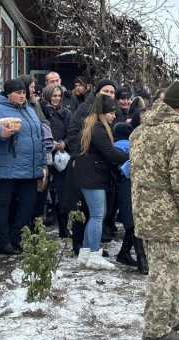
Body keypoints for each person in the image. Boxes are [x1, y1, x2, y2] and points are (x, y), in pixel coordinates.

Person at [131, 81, 179, 340]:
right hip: (168, 217)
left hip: (145, 214)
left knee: (167, 270)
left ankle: (172, 317)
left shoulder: (140, 132)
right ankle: (157, 328)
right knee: (164, 274)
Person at [0, 79, 47, 255]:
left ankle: (17, 236)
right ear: (8, 93)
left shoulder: (30, 111)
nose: (22, 95)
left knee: (28, 203)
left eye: (24, 92)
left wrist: (43, 163)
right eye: (18, 92)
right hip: (6, 166)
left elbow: (39, 138)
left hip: (29, 167)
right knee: (3, 204)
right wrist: (0, 133)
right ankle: (4, 242)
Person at [73, 94, 129, 270]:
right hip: (93, 176)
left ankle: (85, 252)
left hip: (89, 175)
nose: (114, 116)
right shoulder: (98, 128)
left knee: (96, 214)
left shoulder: (91, 126)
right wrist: (132, 156)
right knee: (98, 214)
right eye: (111, 113)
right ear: (103, 113)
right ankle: (95, 254)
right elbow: (110, 153)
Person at [65, 78, 118, 255]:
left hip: (102, 168)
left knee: (98, 212)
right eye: (106, 91)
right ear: (97, 92)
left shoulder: (110, 112)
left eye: (112, 92)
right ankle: (84, 247)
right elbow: (73, 134)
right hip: (89, 167)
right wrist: (76, 156)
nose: (109, 94)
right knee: (87, 211)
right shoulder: (88, 114)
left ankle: (87, 249)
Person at [113, 122, 148, 274]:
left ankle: (125, 254)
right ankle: (142, 261)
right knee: (134, 222)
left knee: (131, 222)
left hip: (122, 185)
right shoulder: (136, 146)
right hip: (135, 184)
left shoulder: (115, 146)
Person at [40, 85, 72, 238]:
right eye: (54, 96)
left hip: (61, 157)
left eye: (59, 96)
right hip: (45, 154)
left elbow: (71, 131)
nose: (57, 99)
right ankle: (37, 227)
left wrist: (64, 142)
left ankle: (63, 226)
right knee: (42, 190)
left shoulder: (66, 112)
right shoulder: (41, 111)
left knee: (62, 193)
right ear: (47, 96)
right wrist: (50, 142)